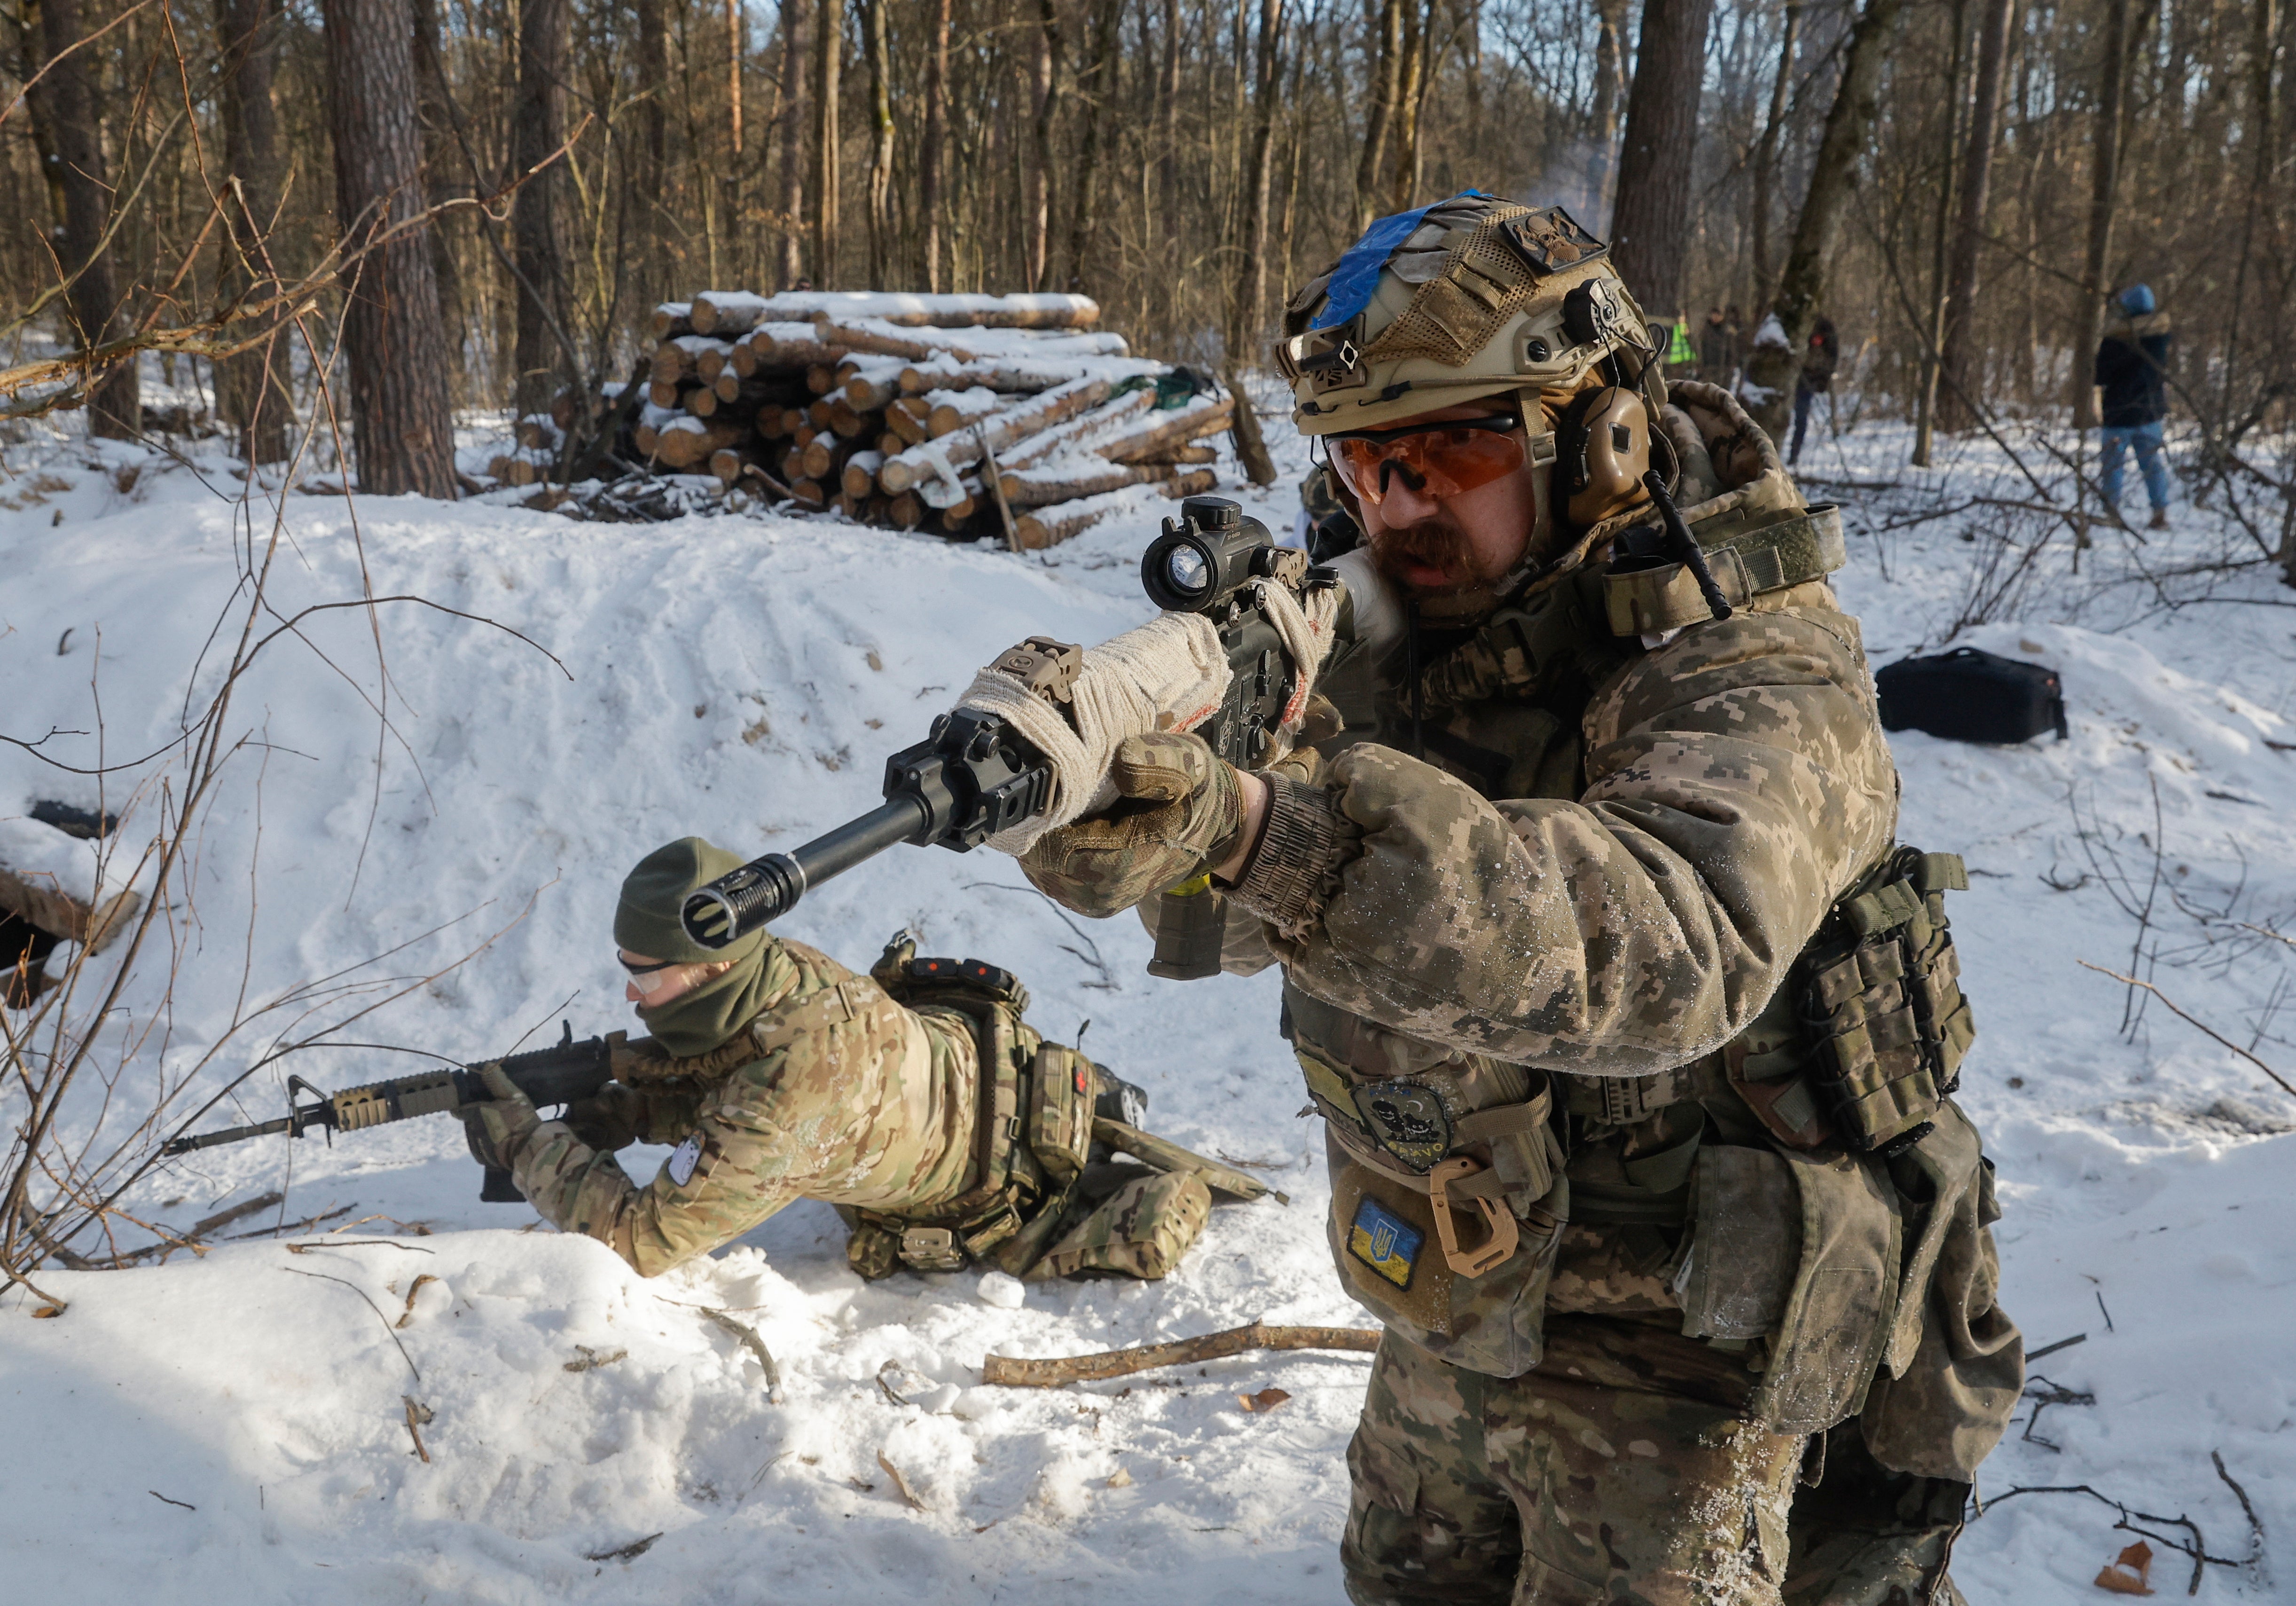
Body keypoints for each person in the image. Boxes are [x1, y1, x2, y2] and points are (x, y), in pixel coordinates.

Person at [1023, 191, 2020, 1604]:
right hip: (1461, 1285)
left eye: (1452, 446)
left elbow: (1679, 942)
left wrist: (1263, 832)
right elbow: (1227, 918)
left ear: (1599, 437)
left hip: (1690, 1350)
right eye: (1363, 460)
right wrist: (1130, 812)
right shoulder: (1413, 619)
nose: (1398, 500)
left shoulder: (1750, 655)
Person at [462, 836, 1252, 1282]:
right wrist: (633, 1109)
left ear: (709, 968)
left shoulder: (780, 1104)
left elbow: (638, 1242)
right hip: (993, 1069)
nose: (631, 996)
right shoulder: (781, 970)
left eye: (645, 974)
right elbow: (726, 1070)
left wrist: (527, 1146)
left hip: (997, 1185)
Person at [2094, 283, 2173, 529]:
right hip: (2151, 413)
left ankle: (2112, 512)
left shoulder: (2115, 340)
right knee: (2152, 466)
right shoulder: (2161, 338)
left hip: (2119, 414)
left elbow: (2100, 375)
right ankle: (2160, 512)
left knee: (2113, 466)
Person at [1792, 314, 1840, 464]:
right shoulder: (1797, 327)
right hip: (1794, 376)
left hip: (1809, 380)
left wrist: (1822, 381)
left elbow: (1831, 361)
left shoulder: (1828, 336)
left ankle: (1794, 455)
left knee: (1801, 418)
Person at [1698, 305, 1731, 385]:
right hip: (1708, 366)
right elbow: (1702, 347)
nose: (1715, 317)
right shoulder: (1707, 329)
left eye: (1718, 315)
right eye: (1714, 315)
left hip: (1722, 366)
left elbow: (1731, 350)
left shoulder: (1727, 331)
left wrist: (1729, 365)